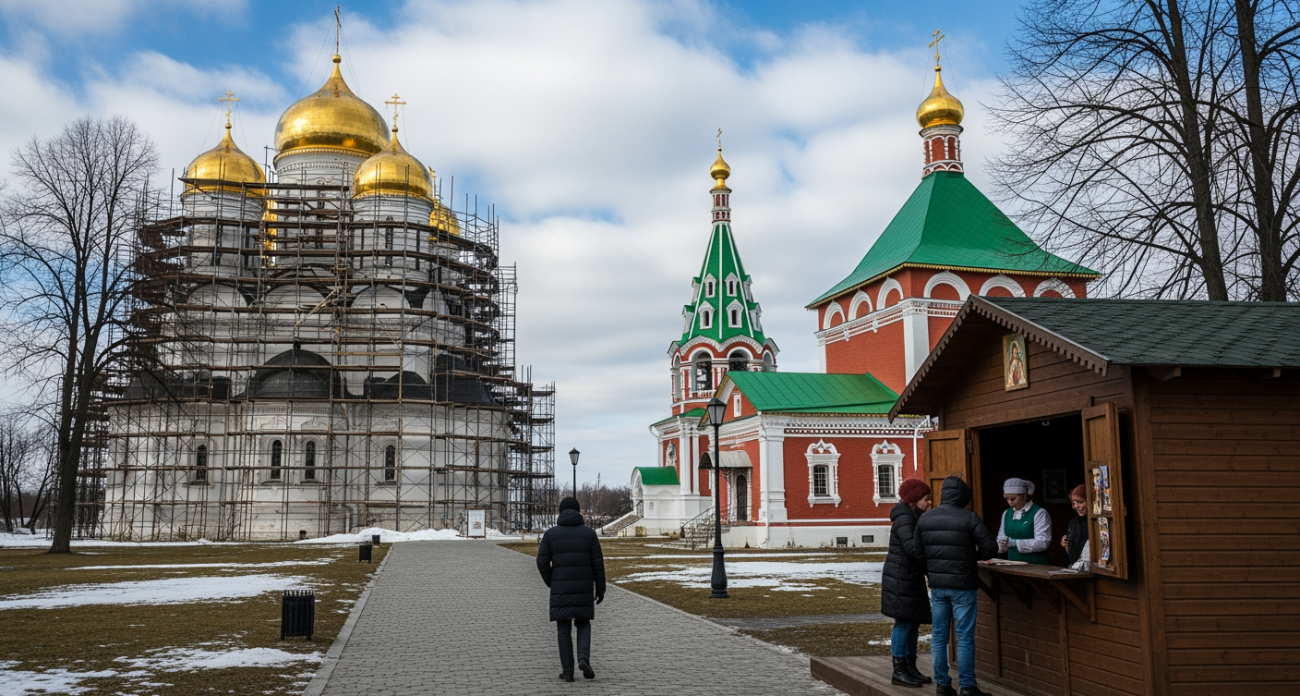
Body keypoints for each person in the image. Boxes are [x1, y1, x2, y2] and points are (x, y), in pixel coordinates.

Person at [913, 475, 998, 696]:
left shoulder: (925, 519)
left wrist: (934, 569)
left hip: (938, 586)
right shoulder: (969, 518)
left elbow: (919, 553)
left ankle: (942, 685)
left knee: (939, 635)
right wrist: (972, 556)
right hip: (964, 585)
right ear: (963, 496)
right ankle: (968, 687)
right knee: (965, 636)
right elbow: (991, 547)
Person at [536, 497, 606, 682]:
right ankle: (583, 658)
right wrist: (600, 588)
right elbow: (597, 563)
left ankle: (568, 672)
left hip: (561, 588)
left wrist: (552, 581)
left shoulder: (551, 534)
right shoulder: (589, 534)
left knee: (563, 629)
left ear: (561, 512)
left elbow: (541, 561)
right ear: (578, 511)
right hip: (583, 587)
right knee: (583, 623)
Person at [882, 478, 934, 688]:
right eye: (926, 499)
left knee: (912, 622)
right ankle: (900, 670)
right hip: (902, 580)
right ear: (914, 500)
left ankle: (910, 667)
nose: (929, 503)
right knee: (904, 623)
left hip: (907, 578)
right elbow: (912, 549)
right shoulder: (905, 519)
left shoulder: (910, 516)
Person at [996, 477, 1051, 565]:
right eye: (1007, 499)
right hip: (1013, 564)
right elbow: (1001, 537)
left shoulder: (1039, 513)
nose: (1010, 502)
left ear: (1024, 495)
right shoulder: (1006, 513)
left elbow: (1043, 542)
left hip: (1036, 565)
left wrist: (1015, 543)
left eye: (1013, 498)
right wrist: (1002, 545)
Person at [1061, 484, 1090, 568]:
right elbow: (1071, 555)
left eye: (1080, 502)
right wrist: (1065, 545)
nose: (1075, 506)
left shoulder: (1096, 522)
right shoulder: (1073, 522)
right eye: (1073, 502)